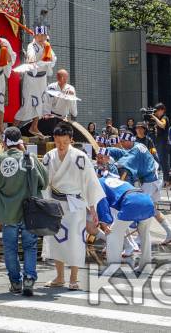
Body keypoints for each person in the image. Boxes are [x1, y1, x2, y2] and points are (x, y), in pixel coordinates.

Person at [41, 123, 104, 290]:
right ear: (53, 139)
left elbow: (90, 183)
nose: (61, 146)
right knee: (56, 240)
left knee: (76, 239)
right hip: (55, 202)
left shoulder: (80, 157)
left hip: (75, 203)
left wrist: (92, 208)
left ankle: (74, 278)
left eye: (65, 142)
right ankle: (59, 277)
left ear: (71, 140)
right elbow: (43, 183)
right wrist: (44, 203)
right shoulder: (48, 157)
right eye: (58, 142)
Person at [0, 127, 47, 297]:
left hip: (8, 211)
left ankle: (15, 282)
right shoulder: (31, 158)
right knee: (30, 245)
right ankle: (29, 279)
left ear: (5, 142)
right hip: (30, 212)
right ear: (21, 141)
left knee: (10, 248)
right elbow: (45, 181)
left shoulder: (0, 159)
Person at [117, 127, 171, 245]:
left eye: (123, 142)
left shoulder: (135, 150)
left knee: (142, 207)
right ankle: (170, 232)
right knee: (152, 209)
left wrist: (117, 165)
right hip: (154, 178)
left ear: (129, 140)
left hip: (149, 181)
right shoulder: (140, 146)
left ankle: (142, 236)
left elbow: (125, 161)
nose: (122, 144)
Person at [96, 175, 155, 269]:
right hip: (146, 199)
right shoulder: (109, 179)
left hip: (131, 202)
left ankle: (113, 267)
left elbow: (102, 202)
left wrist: (105, 223)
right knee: (145, 235)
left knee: (112, 234)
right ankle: (146, 267)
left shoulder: (97, 183)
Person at [14, 26, 56, 136]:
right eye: (39, 35)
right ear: (35, 36)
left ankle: (34, 126)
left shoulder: (47, 46)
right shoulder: (31, 46)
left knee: (40, 103)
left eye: (43, 35)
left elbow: (53, 58)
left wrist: (47, 61)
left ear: (46, 36)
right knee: (27, 105)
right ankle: (12, 129)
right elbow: (30, 54)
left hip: (42, 79)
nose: (41, 37)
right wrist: (31, 59)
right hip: (31, 79)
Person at [148, 103, 171, 184]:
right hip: (157, 141)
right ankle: (163, 179)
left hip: (164, 142)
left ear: (162, 110)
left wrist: (154, 117)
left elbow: (162, 125)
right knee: (158, 160)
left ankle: (167, 180)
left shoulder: (164, 118)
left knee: (163, 161)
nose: (156, 113)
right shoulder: (157, 119)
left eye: (157, 111)